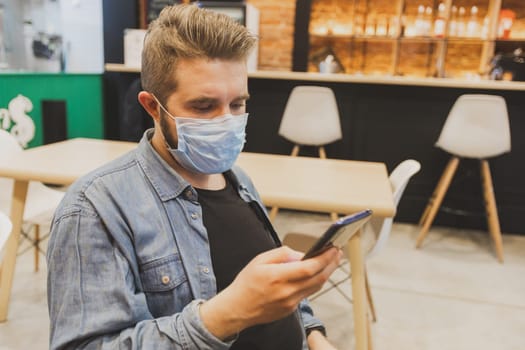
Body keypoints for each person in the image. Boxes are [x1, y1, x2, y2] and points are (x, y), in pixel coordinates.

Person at [47, 4, 341, 350]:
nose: (225, 122)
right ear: (152, 107)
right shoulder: (95, 209)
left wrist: (313, 334)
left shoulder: (238, 180)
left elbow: (278, 290)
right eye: (203, 107)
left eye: (237, 105)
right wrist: (225, 315)